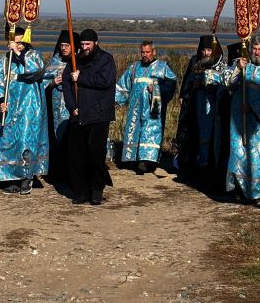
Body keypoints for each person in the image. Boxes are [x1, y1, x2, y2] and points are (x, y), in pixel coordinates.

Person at [0, 27, 49, 194]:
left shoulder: (34, 56)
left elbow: (36, 72)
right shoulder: (4, 60)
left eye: (21, 42)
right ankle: (10, 177)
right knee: (7, 139)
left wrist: (18, 54)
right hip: (10, 106)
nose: (18, 44)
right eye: (15, 41)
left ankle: (27, 177)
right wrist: (1, 101)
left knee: (26, 140)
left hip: (30, 105)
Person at [223, 34, 260, 204]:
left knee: (257, 157)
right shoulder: (244, 67)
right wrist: (237, 68)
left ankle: (258, 192)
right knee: (238, 155)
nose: (256, 52)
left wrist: (253, 107)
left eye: (259, 49)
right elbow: (228, 84)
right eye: (254, 49)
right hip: (239, 121)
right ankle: (240, 189)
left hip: (258, 124)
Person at [62, 29, 116, 205]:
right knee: (76, 156)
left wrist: (81, 77)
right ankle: (81, 190)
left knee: (95, 153)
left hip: (98, 115)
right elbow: (67, 84)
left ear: (96, 43)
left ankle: (97, 189)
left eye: (88, 44)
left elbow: (105, 81)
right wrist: (72, 107)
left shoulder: (106, 60)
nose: (85, 48)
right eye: (82, 44)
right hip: (78, 114)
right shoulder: (75, 61)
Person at [115, 41, 177, 174]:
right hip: (135, 109)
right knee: (134, 131)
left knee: (150, 133)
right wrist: (114, 100)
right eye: (142, 52)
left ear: (154, 52)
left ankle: (148, 162)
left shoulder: (162, 67)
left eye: (147, 52)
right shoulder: (134, 67)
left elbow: (171, 84)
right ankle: (134, 160)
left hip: (153, 110)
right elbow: (122, 86)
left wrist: (157, 88)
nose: (145, 55)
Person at [174, 35, 227, 176]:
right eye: (203, 50)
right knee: (194, 132)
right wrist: (187, 92)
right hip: (196, 104)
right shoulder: (195, 61)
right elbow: (187, 82)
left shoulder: (221, 64)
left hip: (213, 106)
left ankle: (210, 165)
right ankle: (194, 164)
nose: (206, 53)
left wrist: (212, 84)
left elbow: (225, 84)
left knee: (211, 135)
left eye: (209, 50)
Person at [42, 30, 79, 181]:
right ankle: (58, 171)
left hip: (74, 108)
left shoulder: (78, 62)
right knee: (57, 137)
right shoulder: (54, 62)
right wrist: (51, 83)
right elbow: (42, 82)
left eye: (67, 45)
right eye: (61, 45)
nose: (63, 48)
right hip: (56, 108)